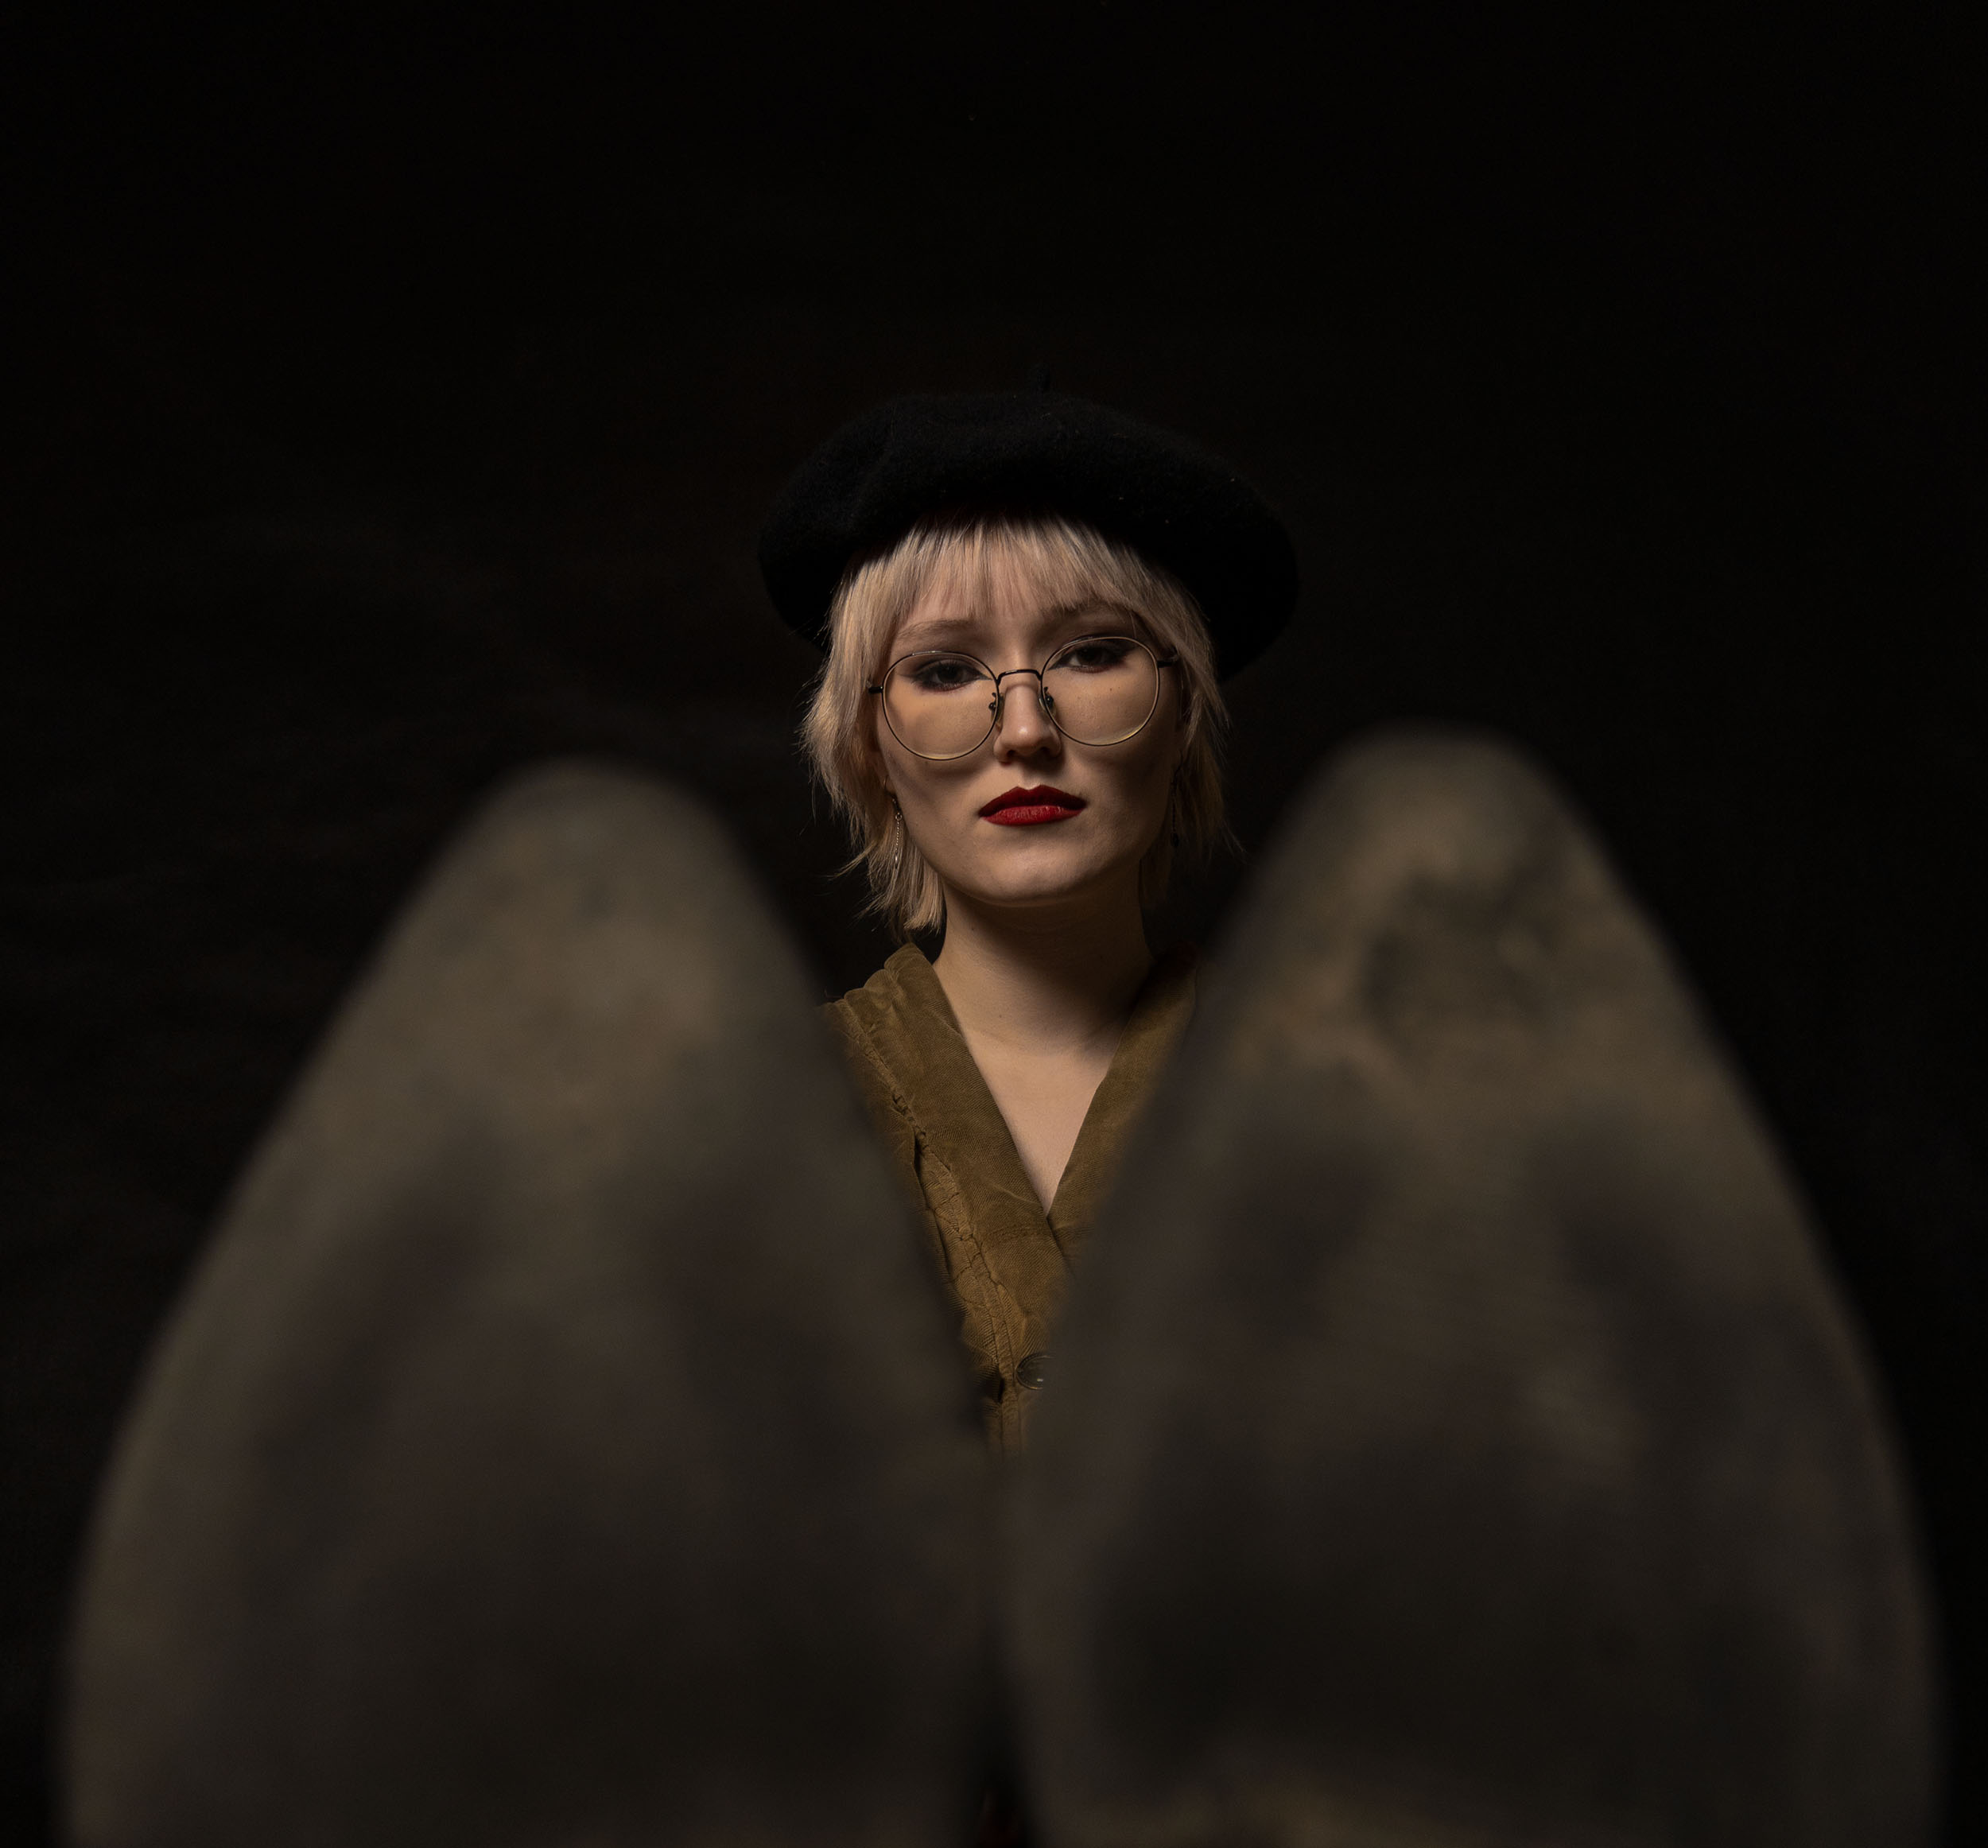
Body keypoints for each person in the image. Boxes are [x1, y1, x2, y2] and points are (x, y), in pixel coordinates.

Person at [759, 389, 1299, 1447]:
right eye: (944, 671)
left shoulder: (1342, 1107)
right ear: (870, 743)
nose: (1023, 731)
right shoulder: (757, 1114)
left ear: (1184, 711)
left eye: (1091, 654)